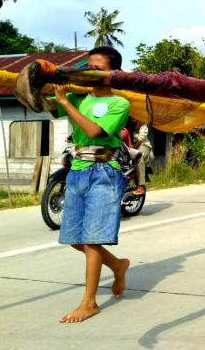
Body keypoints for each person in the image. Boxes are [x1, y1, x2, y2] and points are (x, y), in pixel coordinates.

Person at [45, 46, 131, 323]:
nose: (89, 72)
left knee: (92, 238)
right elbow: (47, 107)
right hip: (78, 170)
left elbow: (95, 131)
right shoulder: (76, 96)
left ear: (111, 73)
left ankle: (89, 302)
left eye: (96, 68)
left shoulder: (120, 103)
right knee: (74, 239)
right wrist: (43, 84)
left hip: (105, 170)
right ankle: (117, 265)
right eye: (87, 66)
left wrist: (67, 102)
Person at [133, 120, 153, 195]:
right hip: (128, 146)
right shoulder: (124, 121)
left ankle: (141, 186)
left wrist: (133, 148)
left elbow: (141, 139)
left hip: (143, 145)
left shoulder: (142, 123)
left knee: (138, 156)